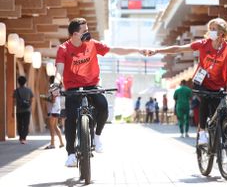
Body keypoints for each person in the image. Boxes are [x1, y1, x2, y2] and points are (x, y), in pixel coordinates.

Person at [51, 17, 145, 167]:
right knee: (70, 120)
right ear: (75, 34)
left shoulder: (92, 44)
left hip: (92, 85)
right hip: (72, 88)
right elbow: (59, 70)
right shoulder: (64, 49)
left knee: (103, 106)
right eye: (85, 31)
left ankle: (97, 136)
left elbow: (115, 50)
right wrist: (56, 84)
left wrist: (138, 50)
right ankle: (70, 154)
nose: (88, 34)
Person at [146, 18, 227, 144]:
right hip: (201, 82)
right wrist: (157, 51)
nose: (210, 31)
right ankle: (202, 132)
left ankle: (218, 142)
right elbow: (178, 49)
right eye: (210, 29)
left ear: (222, 33)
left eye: (214, 29)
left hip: (218, 84)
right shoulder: (203, 44)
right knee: (205, 100)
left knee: (218, 113)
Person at [44, 76, 64, 149]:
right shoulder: (59, 89)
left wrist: (45, 98)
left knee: (52, 127)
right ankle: (61, 142)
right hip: (57, 109)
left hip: (53, 110)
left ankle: (52, 144)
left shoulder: (53, 89)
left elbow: (53, 100)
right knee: (55, 126)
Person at [13, 76, 33, 144]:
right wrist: (29, 105)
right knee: (26, 124)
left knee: (19, 124)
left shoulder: (16, 91)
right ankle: (24, 138)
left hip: (19, 110)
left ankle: (21, 137)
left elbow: (14, 102)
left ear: (18, 82)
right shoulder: (29, 90)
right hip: (27, 110)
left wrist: (13, 111)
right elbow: (31, 99)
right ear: (25, 82)